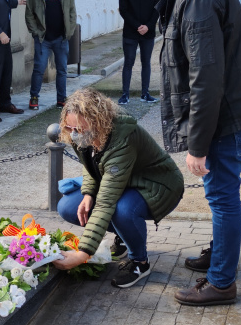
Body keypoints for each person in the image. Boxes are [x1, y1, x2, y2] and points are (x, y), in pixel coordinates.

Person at [129, 0, 241, 306]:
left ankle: (222, 283)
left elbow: (205, 79)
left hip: (228, 117)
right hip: (232, 110)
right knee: (222, 197)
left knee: (222, 197)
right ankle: (221, 255)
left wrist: (197, 146)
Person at [52, 88, 184, 289]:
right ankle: (125, 236)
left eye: (79, 129)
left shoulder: (122, 138)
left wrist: (81, 255)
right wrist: (87, 193)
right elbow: (90, 165)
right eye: (70, 128)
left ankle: (140, 262)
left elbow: (105, 202)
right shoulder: (82, 132)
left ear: (97, 122)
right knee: (69, 206)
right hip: (124, 180)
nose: (74, 134)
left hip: (157, 184)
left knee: (121, 210)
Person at [25, 0, 77, 110]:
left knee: (62, 70)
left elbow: (72, 13)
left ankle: (61, 99)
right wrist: (35, 32)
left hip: (61, 38)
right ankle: (34, 97)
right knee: (39, 69)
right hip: (43, 39)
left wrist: (69, 32)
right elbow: (29, 13)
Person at [117, 0, 160, 105]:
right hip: (131, 32)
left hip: (148, 32)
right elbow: (123, 9)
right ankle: (125, 94)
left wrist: (148, 26)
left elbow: (157, 8)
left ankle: (145, 93)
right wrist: (137, 26)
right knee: (128, 63)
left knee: (146, 62)